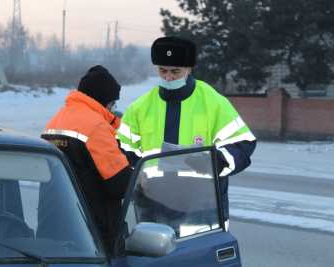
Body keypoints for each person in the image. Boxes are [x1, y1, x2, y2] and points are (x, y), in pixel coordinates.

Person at [117, 36, 257, 226]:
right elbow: (121, 149)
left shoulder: (213, 102)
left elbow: (242, 144)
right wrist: (135, 172)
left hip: (203, 209)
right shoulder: (139, 108)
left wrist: (215, 161)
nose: (168, 77)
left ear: (189, 69)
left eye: (175, 71)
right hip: (152, 207)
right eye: (162, 70)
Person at [41, 65, 131, 253]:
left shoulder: (55, 120)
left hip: (52, 227)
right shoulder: (96, 126)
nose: (113, 109)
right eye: (112, 104)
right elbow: (119, 184)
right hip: (91, 233)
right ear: (103, 100)